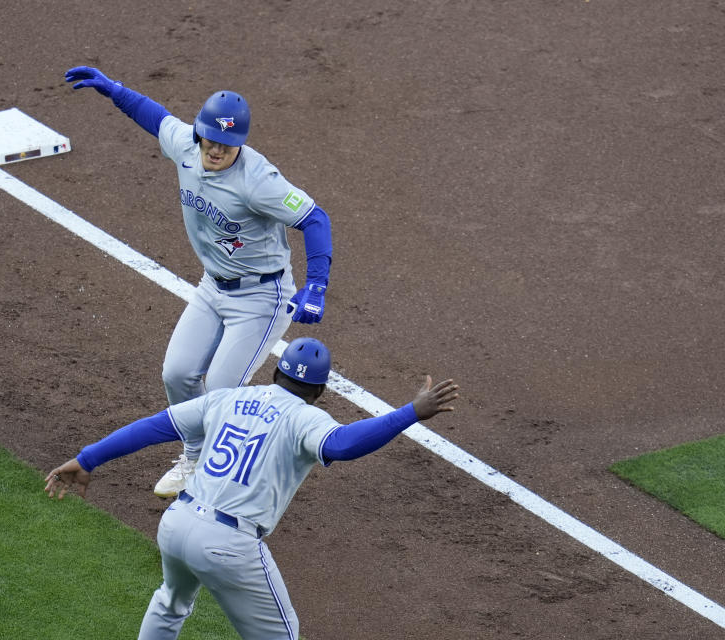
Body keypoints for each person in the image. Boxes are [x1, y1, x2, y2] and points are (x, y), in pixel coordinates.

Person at [45, 337, 459, 640]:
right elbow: (344, 445)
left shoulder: (226, 399)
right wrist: (411, 412)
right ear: (319, 391)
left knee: (171, 603)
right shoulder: (306, 417)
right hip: (229, 544)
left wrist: (86, 460)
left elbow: (154, 426)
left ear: (276, 373)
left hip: (177, 522)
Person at [64, 66, 334, 498]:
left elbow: (315, 218)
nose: (215, 149)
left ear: (239, 143)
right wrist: (114, 90)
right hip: (213, 286)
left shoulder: (258, 181)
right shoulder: (187, 146)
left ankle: (215, 474)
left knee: (221, 393)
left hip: (262, 298)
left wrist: (317, 284)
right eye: (210, 138)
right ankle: (194, 454)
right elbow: (154, 116)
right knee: (178, 373)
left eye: (226, 144)